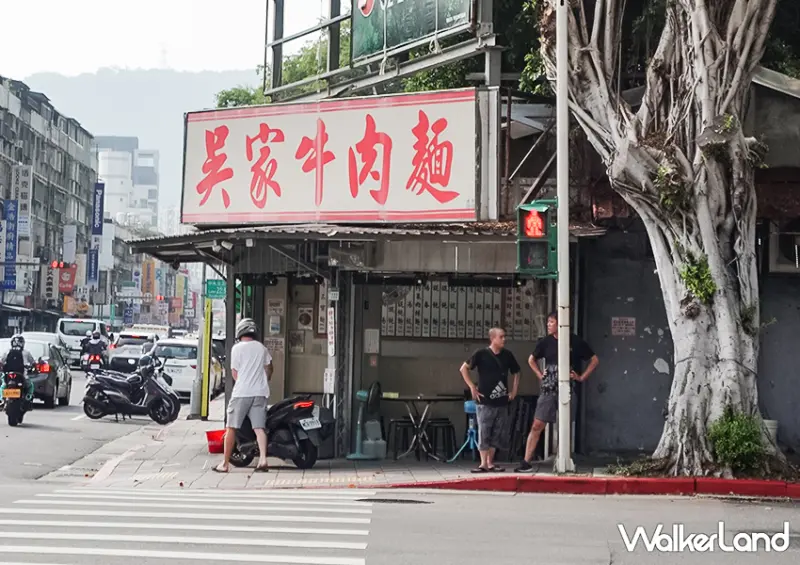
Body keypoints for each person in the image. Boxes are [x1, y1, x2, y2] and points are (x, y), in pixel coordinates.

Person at [515, 312, 599, 472]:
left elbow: (594, 360)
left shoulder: (575, 341)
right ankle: (526, 461)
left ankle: (563, 458)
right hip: (549, 388)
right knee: (537, 424)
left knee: (565, 426)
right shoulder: (545, 342)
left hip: (568, 387)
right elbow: (531, 359)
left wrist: (581, 377)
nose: (548, 325)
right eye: (548, 322)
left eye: (551, 322)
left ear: (561, 323)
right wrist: (540, 375)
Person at [214, 318, 274, 473]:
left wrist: (244, 380)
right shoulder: (261, 348)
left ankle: (225, 464)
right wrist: (265, 379)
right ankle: (263, 460)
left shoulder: (237, 348)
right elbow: (269, 367)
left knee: (231, 428)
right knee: (259, 428)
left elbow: (235, 373)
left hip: (242, 393)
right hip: (260, 393)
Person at [460, 327, 521, 473]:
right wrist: (472, 386)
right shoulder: (481, 354)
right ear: (492, 338)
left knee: (497, 433)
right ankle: (483, 463)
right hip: (484, 400)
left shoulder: (507, 355)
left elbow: (517, 371)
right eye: (501, 337)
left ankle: (490, 462)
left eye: (504, 336)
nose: (504, 339)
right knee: (484, 431)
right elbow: (463, 368)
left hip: (501, 400)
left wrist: (514, 390)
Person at [0, 335, 36, 400]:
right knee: (30, 386)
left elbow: (1, 362)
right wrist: (33, 367)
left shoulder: (7, 351)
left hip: (8, 374)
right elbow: (33, 363)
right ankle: (28, 396)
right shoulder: (26, 352)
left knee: (3, 385)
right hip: (22, 374)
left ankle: (2, 398)